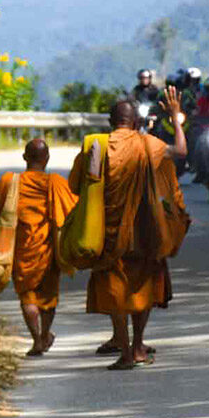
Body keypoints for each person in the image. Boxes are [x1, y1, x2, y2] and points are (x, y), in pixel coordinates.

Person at [71, 91, 189, 370]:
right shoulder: (147, 143)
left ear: (111, 122)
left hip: (107, 234)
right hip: (144, 232)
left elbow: (76, 187)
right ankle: (138, 347)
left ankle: (124, 352)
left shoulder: (95, 146)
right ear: (136, 123)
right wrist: (174, 117)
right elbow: (182, 152)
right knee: (144, 287)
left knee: (115, 291)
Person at [0, 138, 78, 357]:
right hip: (49, 249)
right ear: (47, 159)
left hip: (20, 250)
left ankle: (37, 340)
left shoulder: (9, 182)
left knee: (27, 297)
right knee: (49, 297)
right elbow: (74, 212)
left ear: (25, 157)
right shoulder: (56, 183)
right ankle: (45, 335)